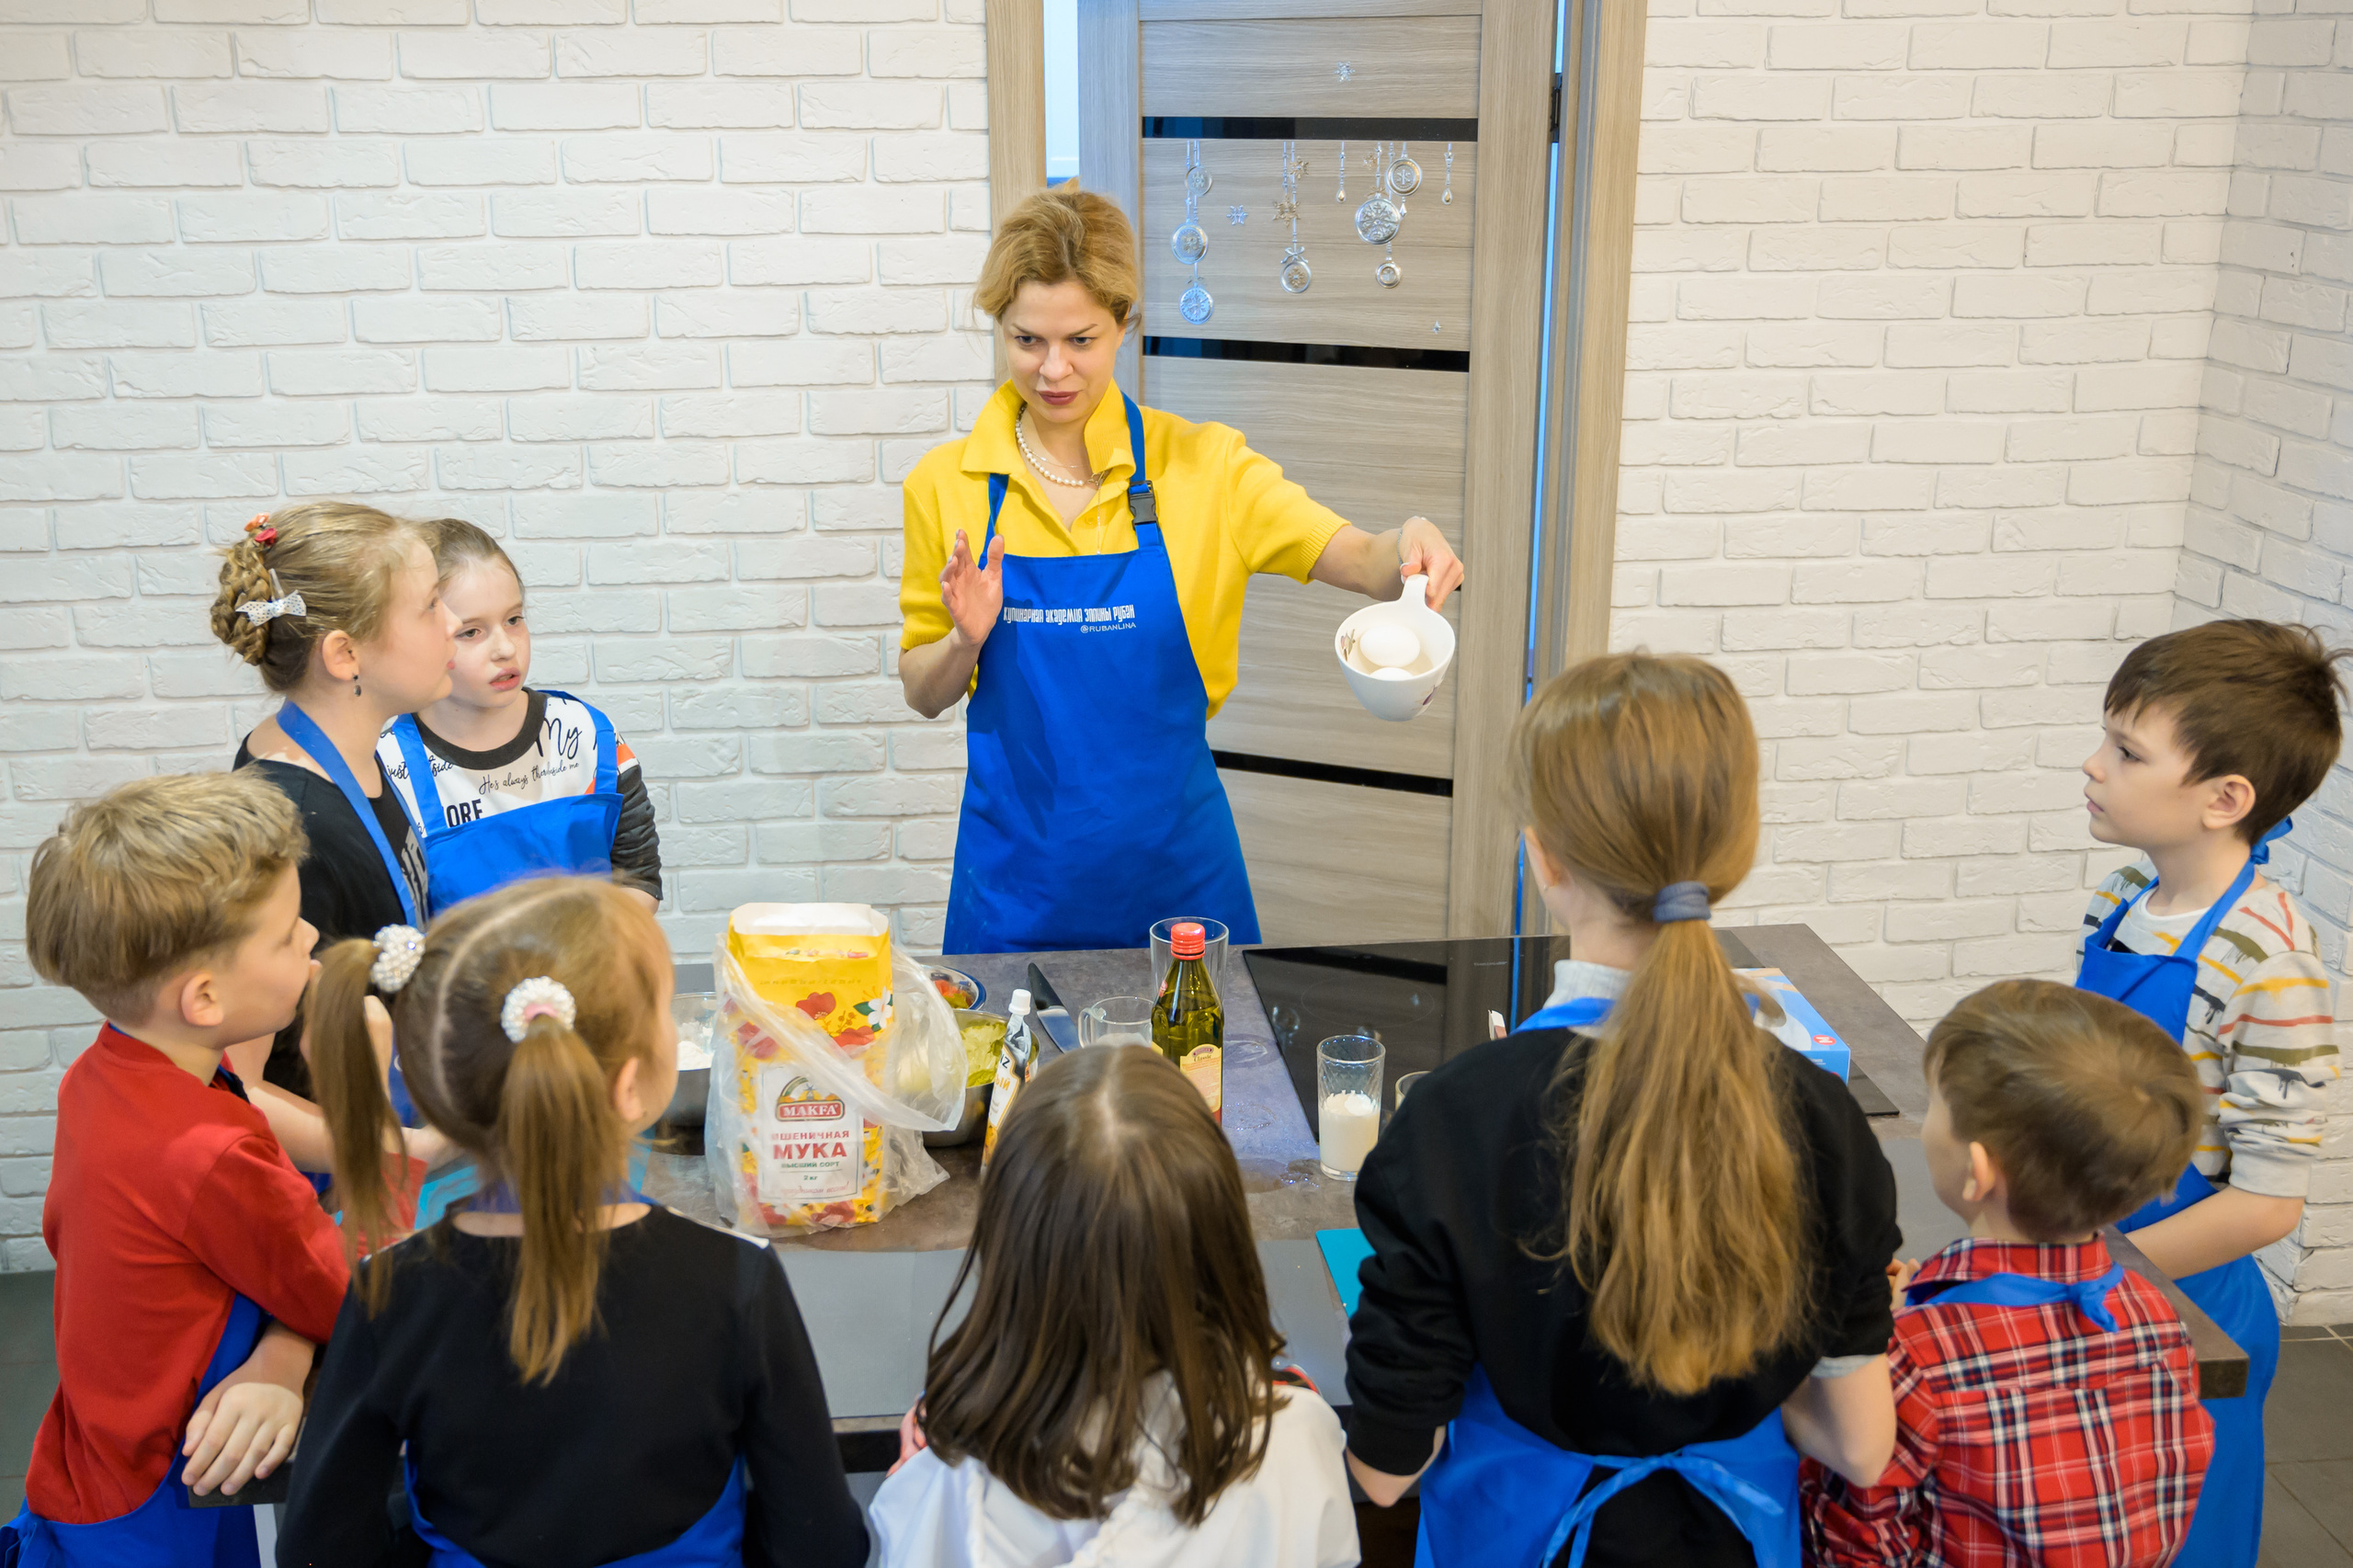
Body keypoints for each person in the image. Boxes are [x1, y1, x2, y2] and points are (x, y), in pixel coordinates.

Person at [1344, 653, 1902, 1568]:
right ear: (1733, 848)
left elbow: (1385, 1471)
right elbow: (1858, 1446)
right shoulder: (1822, 1120)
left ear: (1544, 857)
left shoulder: (1456, 1119)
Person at [897, 184, 1465, 955]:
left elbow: (1360, 559)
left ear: (1126, 325)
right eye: (1027, 340)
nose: (1053, 370)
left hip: (1180, 887)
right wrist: (965, 641)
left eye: (1082, 341)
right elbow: (922, 691)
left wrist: (1410, 539)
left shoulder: (1208, 468)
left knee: (1206, 1076)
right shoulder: (945, 484)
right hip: (1013, 892)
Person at [278, 877, 868, 1568]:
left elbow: (320, 1549)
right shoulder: (737, 1278)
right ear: (627, 1088)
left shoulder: (390, 1292)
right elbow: (822, 1544)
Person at [7, 772, 350, 1567]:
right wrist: (289, 1350)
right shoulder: (210, 1153)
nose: (309, 939)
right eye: (286, 932)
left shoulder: (99, 1076)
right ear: (203, 998)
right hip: (176, 1492)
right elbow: (341, 1295)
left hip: (89, 1454)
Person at [2077, 618, 2346, 1568]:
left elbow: (2266, 1202)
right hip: (2097, 1262)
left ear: (2223, 797)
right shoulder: (2119, 897)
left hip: (2184, 1310)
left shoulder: (2270, 962)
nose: (2093, 763)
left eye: (2125, 749)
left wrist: (2098, 1270)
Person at [870, 1046, 1358, 1568]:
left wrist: (917, 1475)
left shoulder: (957, 1476)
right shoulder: (1294, 1440)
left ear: (1009, 1257)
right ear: (1224, 1242)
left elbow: (909, 1541)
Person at [1805, 979, 2215, 1566]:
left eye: (1936, 1105)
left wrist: (1880, 1337)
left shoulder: (1914, 1355)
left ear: (1977, 1170)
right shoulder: (2155, 1318)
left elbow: (1855, 1538)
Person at [210, 502, 457, 1167]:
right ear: (345, 654)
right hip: (326, 1180)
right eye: (431, 606)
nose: (453, 625)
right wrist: (411, 1152)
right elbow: (233, 1087)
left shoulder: (347, 752)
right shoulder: (291, 818)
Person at [376, 517, 664, 916]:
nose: (505, 649)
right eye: (471, 632)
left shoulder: (586, 736)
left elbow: (639, 875)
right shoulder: (387, 770)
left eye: (514, 620)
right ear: (418, 638)